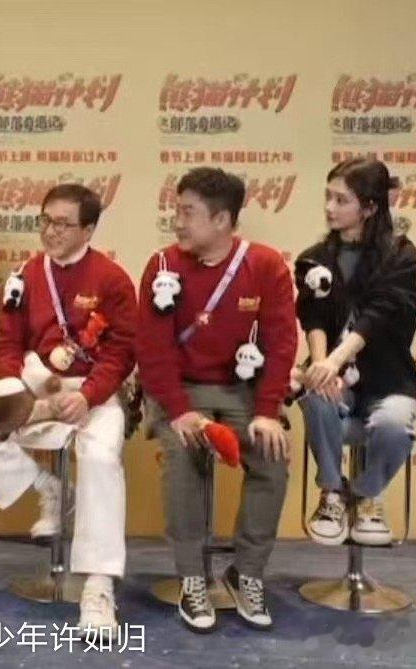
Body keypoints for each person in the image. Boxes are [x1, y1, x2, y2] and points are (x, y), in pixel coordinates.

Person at [0, 184, 137, 639]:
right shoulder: (26, 274)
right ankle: (48, 488)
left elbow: (122, 352)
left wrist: (88, 396)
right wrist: (11, 389)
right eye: (46, 220)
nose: (51, 231)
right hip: (36, 383)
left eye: (63, 224)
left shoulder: (112, 279)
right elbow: (8, 343)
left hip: (92, 390)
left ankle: (98, 587)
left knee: (100, 458)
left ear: (88, 230)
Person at [137, 166, 297, 632]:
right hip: (181, 390)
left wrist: (268, 412)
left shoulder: (265, 265)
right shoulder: (162, 266)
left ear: (222, 219)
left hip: (240, 390)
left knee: (271, 455)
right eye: (177, 210)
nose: (177, 222)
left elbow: (281, 342)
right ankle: (192, 577)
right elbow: (153, 349)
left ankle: (246, 572)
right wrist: (179, 410)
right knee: (183, 452)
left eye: (188, 213)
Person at [295, 157, 416, 547]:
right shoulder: (315, 257)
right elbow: (313, 315)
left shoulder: (400, 256)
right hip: (339, 386)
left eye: (341, 200)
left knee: (395, 426)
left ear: (369, 207)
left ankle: (366, 495)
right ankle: (332, 493)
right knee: (314, 394)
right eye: (328, 197)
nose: (330, 208)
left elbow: (377, 315)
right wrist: (323, 365)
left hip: (389, 380)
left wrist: (337, 360)